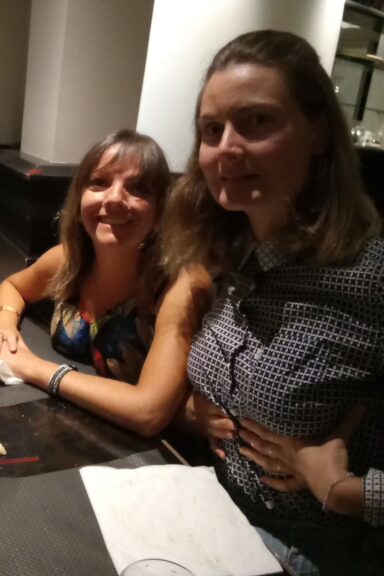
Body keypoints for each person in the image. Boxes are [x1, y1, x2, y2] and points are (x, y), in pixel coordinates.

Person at [162, 30, 383, 574]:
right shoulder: (230, 257)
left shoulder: (372, 278)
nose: (227, 147)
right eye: (212, 130)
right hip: (216, 521)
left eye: (257, 121)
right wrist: (196, 413)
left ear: (319, 134)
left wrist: (343, 490)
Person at [0, 129, 211, 437]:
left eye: (138, 188)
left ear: (160, 211)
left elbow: (149, 412)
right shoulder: (68, 258)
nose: (114, 198)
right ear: (79, 199)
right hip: (64, 430)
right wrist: (4, 324)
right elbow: (13, 287)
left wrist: (32, 367)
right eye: (99, 182)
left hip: (146, 454)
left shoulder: (180, 284)